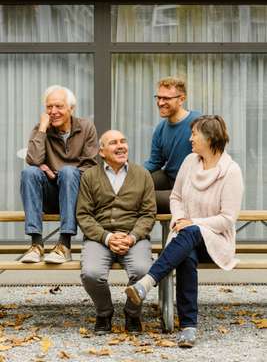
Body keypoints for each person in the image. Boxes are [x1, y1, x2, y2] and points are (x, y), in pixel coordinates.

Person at [126, 115, 244, 347]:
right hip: (186, 239)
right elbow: (176, 197)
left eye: (194, 134)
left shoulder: (230, 171)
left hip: (216, 243)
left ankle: (147, 282)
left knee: (191, 232)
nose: (190, 139)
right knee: (186, 256)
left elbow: (227, 219)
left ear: (210, 138)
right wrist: (180, 218)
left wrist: (192, 222)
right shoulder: (190, 162)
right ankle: (188, 328)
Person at [76, 130, 156, 334]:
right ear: (101, 152)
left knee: (143, 271)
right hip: (100, 237)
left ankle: (132, 313)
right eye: (113, 143)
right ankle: (104, 313)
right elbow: (84, 215)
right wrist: (107, 237)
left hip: (134, 238)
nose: (121, 146)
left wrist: (132, 237)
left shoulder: (142, 175)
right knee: (91, 274)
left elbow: (148, 214)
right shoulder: (90, 175)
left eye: (123, 141)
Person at [20, 85, 98, 264]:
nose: (53, 111)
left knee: (69, 172)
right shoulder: (42, 128)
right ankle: (36, 244)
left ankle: (64, 244)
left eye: (59, 106)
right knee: (29, 173)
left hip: (77, 195)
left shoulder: (86, 128)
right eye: (49, 107)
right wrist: (42, 130)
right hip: (49, 195)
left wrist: (56, 171)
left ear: (71, 108)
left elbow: (90, 167)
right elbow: (32, 159)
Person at [144, 76, 200, 213]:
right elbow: (154, 162)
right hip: (169, 179)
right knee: (132, 187)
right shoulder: (160, 128)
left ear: (181, 99)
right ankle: (116, 234)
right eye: (158, 97)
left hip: (191, 189)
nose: (160, 102)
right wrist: (128, 175)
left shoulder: (199, 123)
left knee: (139, 198)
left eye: (166, 98)